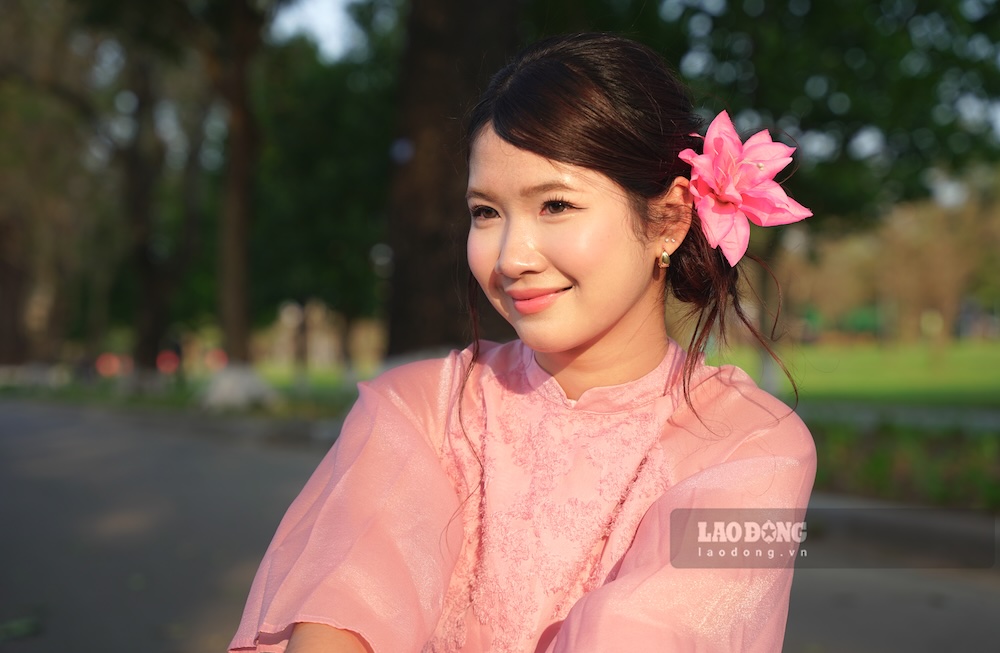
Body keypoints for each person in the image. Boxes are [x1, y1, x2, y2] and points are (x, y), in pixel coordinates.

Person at [229, 32, 816, 653]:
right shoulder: (418, 412)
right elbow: (341, 617)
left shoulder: (759, 447)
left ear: (668, 219)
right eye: (486, 212)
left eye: (555, 205)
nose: (511, 257)